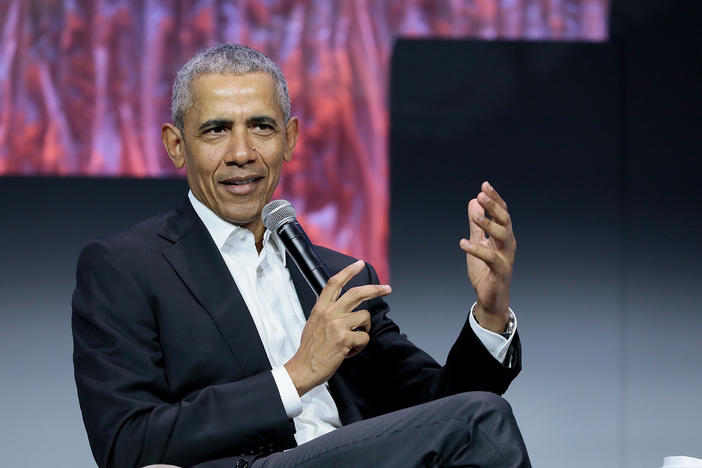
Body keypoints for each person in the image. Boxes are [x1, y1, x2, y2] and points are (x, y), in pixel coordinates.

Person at [72, 43, 530, 468]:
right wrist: (295, 376)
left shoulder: (332, 275)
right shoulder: (127, 268)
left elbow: (443, 410)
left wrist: (490, 313)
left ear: (289, 139)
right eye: (216, 130)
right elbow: (126, 440)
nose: (242, 153)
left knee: (478, 421)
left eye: (261, 127)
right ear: (177, 145)